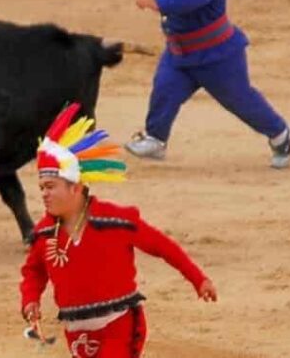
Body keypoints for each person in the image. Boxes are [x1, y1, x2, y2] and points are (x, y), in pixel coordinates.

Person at [20, 104, 218, 357]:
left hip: (120, 322)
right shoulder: (44, 232)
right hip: (76, 329)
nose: (44, 194)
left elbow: (162, 246)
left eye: (50, 186)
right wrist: (30, 299)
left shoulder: (115, 221)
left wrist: (198, 278)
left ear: (76, 188)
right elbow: (34, 271)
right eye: (42, 188)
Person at [125, 0, 290, 168]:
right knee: (164, 89)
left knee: (241, 101)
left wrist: (158, 1)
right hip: (180, 50)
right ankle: (156, 139)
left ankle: (280, 134)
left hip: (216, 56)